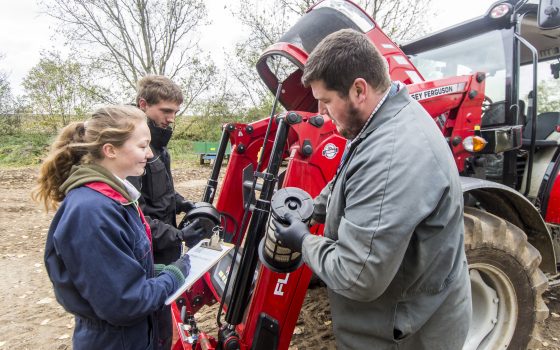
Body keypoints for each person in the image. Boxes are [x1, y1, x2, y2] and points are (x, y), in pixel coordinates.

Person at [274, 29, 472, 350]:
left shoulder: (392, 154)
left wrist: (303, 240)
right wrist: (313, 208)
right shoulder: (380, 120)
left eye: (325, 101)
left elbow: (357, 275)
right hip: (403, 311)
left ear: (358, 90)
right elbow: (347, 179)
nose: (322, 113)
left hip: (406, 334)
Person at [34, 105, 191, 349]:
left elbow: (118, 268)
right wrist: (173, 275)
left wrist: (153, 271)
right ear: (110, 150)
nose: (149, 154)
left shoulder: (114, 199)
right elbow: (125, 303)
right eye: (142, 146)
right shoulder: (92, 211)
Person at [130, 75, 204, 349]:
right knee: (154, 324)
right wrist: (177, 234)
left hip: (164, 245)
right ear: (143, 105)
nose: (171, 118)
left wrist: (183, 203)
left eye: (175, 112)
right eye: (166, 111)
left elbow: (162, 192)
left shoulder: (158, 146)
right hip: (149, 250)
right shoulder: (134, 151)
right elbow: (133, 216)